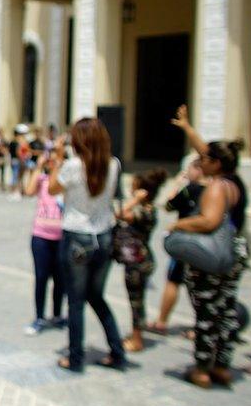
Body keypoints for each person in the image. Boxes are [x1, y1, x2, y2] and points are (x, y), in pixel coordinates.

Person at [168, 105, 248, 388]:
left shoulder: (215, 188)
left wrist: (180, 225)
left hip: (213, 256)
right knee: (225, 311)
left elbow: (208, 221)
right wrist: (188, 128)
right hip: (234, 254)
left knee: (206, 313)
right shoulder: (234, 181)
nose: (200, 161)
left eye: (205, 159)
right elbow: (208, 151)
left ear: (216, 163)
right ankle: (222, 366)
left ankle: (202, 368)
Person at [49, 118, 124, 372]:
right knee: (96, 296)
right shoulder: (113, 164)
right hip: (103, 234)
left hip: (77, 234)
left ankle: (76, 357)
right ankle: (117, 349)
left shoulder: (72, 166)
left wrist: (57, 159)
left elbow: (51, 189)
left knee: (76, 300)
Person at [146, 159, 205, 335]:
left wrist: (178, 184)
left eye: (190, 169)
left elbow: (169, 205)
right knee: (200, 285)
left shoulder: (190, 189)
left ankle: (162, 321)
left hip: (185, 242)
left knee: (173, 280)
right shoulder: (215, 189)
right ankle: (201, 324)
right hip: (205, 244)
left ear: (199, 170)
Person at [116, 169, 167, 352]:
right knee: (137, 300)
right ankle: (137, 333)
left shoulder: (146, 211)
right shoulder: (146, 209)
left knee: (136, 301)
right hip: (138, 260)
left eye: (134, 187)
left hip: (138, 262)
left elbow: (120, 214)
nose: (131, 189)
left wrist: (134, 200)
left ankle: (137, 340)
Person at [24, 152, 65, 335]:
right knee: (41, 278)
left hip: (62, 237)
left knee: (60, 279)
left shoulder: (65, 181)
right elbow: (29, 191)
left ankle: (56, 315)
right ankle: (39, 317)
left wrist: (59, 166)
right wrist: (39, 167)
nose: (52, 161)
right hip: (40, 236)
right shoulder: (42, 179)